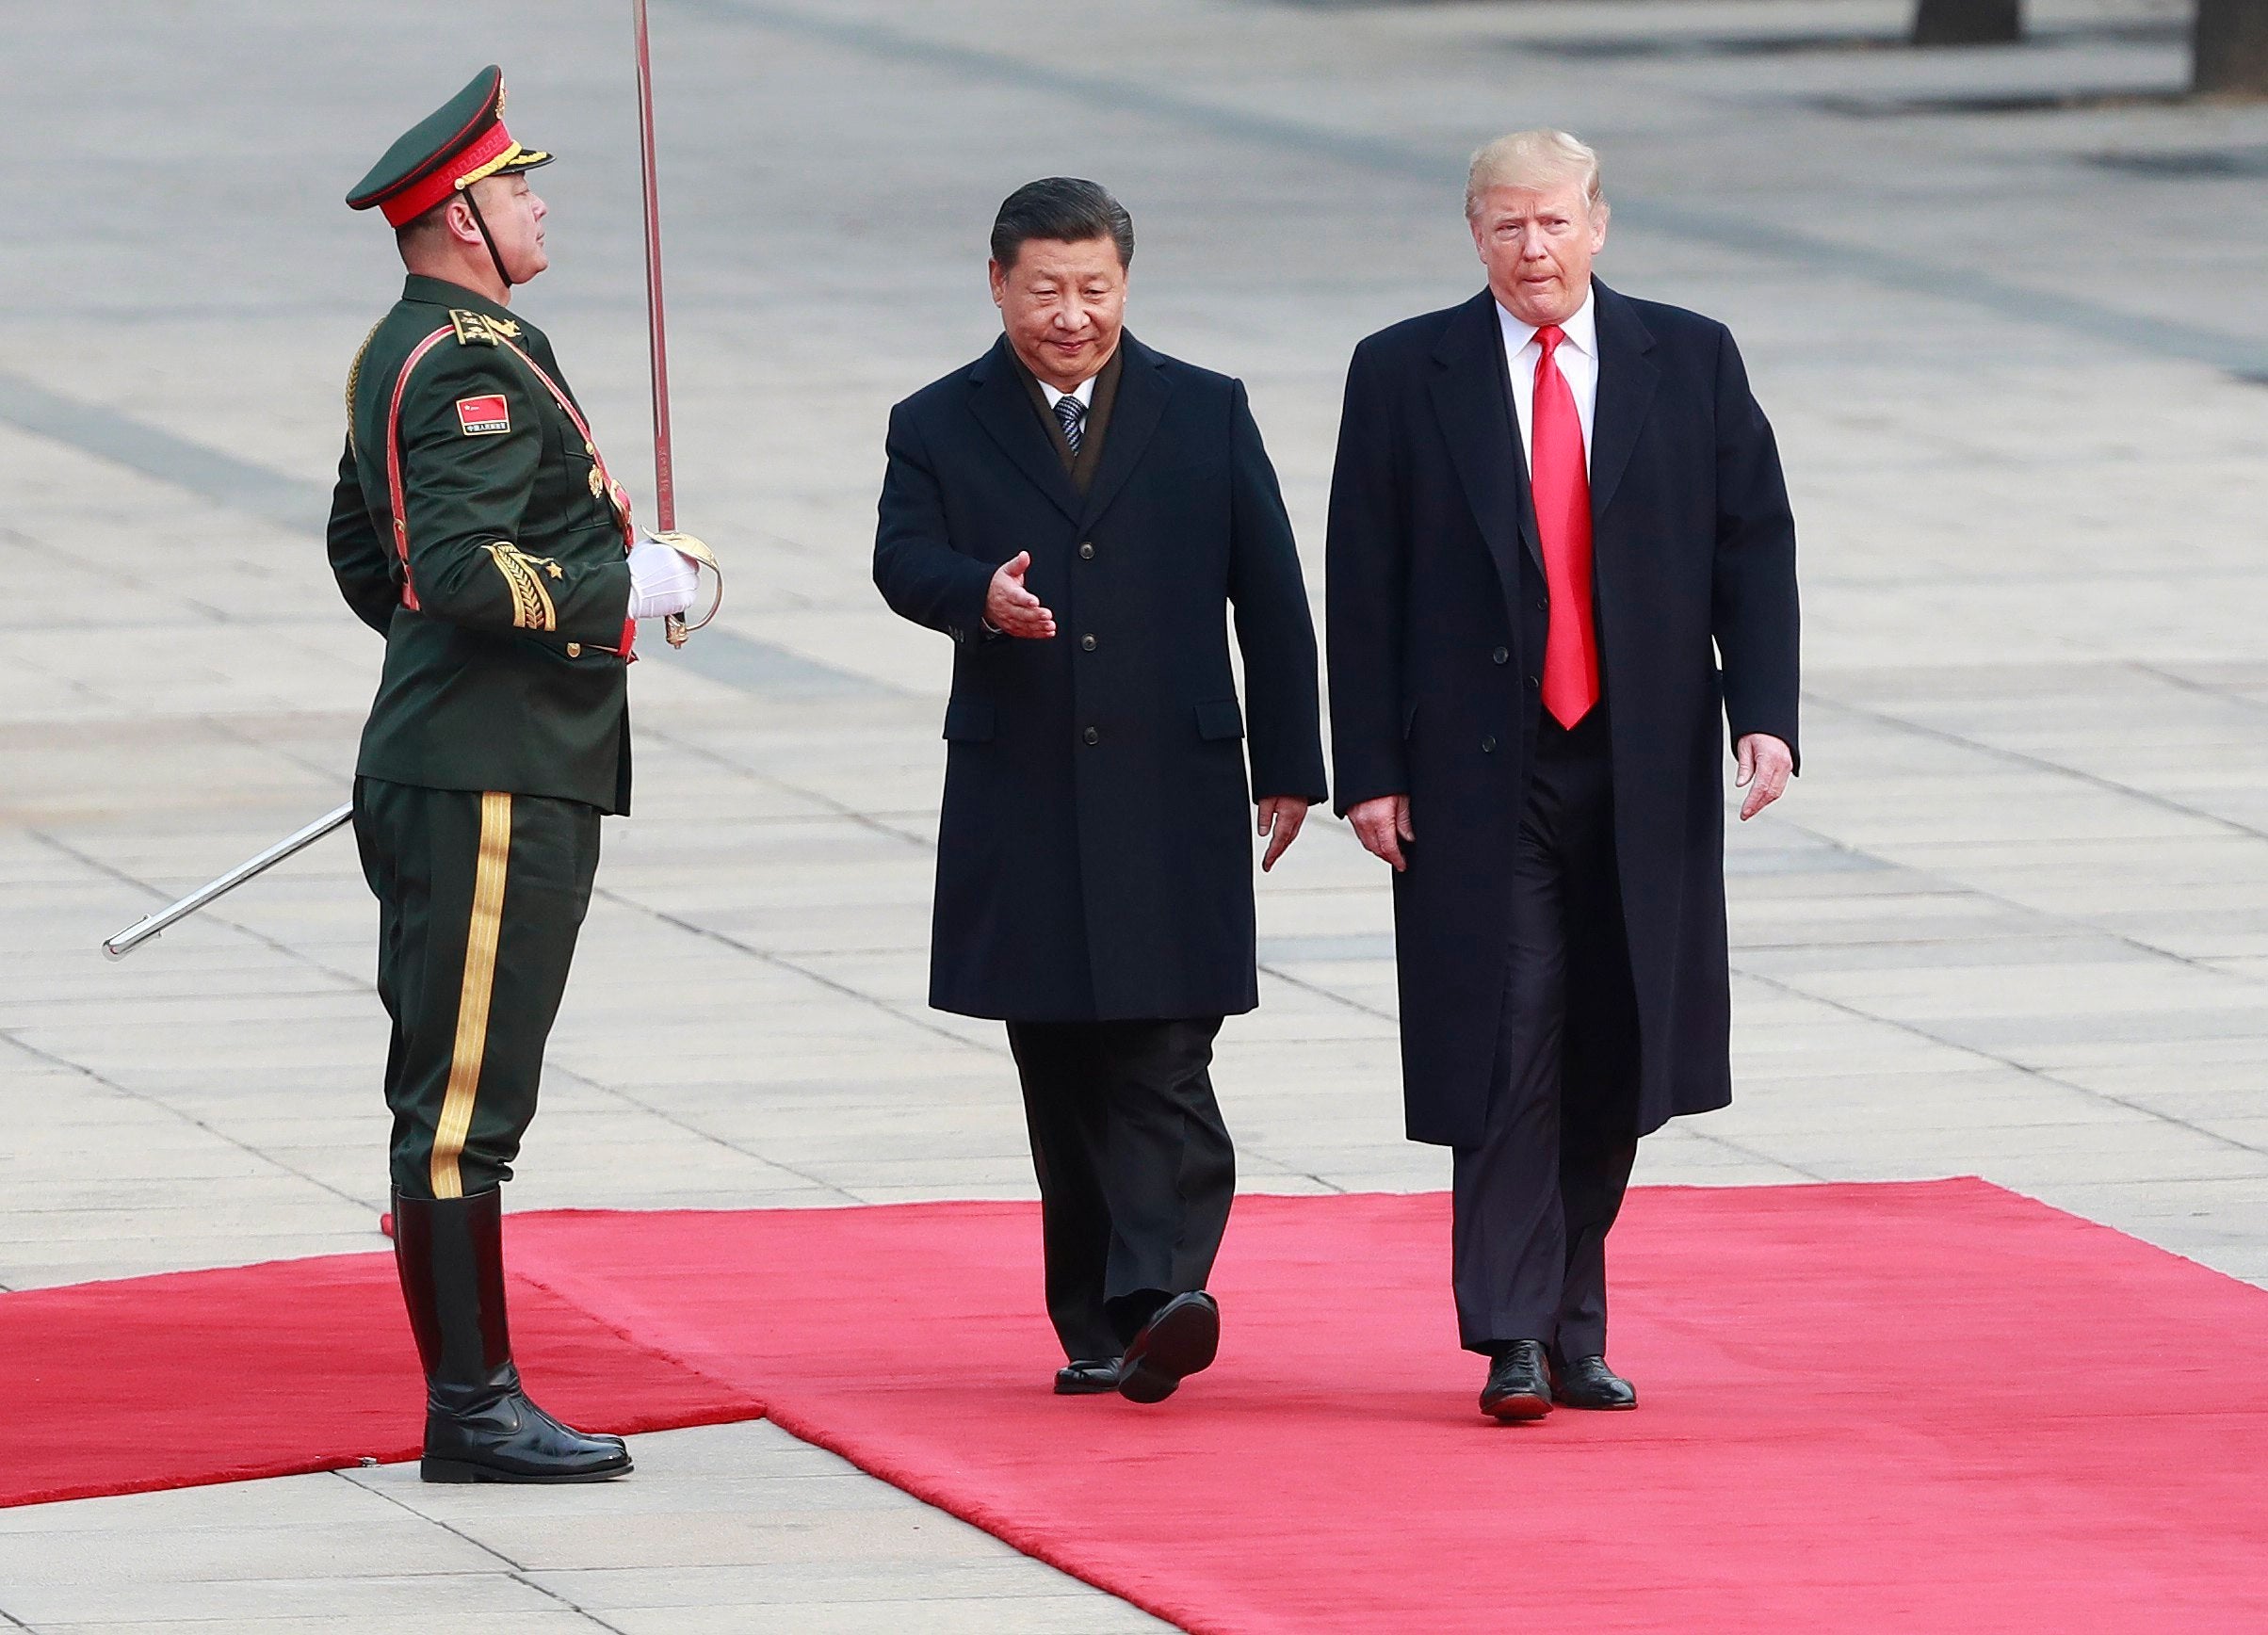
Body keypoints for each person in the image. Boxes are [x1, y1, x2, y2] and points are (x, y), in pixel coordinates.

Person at [1324, 130, 1799, 1421]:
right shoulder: (1403, 371)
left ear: (1601, 224)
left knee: (1616, 1039)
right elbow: (1359, 581)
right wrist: (1364, 765)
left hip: (1639, 761)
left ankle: (1574, 1321)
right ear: (1472, 233)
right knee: (1507, 1032)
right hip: (1478, 771)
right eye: (1506, 226)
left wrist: (1763, 715)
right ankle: (1512, 1339)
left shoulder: (1688, 358)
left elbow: (1753, 546)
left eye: (1554, 222)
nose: (1533, 249)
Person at [873, 178, 1326, 1403]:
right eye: (1046, 291)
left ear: (1126, 282)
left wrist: (1292, 764)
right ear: (998, 284)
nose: (1072, 316)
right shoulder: (938, 421)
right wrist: (981, 594)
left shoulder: (1205, 410)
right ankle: (1096, 1318)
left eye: (1096, 290)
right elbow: (900, 559)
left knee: (1168, 1045)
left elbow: (1272, 597)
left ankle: (1164, 1292)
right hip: (1022, 786)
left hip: (1171, 782)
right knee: (1062, 1057)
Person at [329, 65, 709, 1481]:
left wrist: (449, 677)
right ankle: (471, 1409)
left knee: (466, 1090)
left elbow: (364, 557)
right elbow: (456, 567)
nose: (538, 200)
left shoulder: (414, 347)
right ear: (463, 219)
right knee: (463, 1104)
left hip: (474, 751)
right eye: (518, 185)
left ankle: (476, 1397)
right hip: (491, 776)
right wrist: (624, 587)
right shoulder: (469, 361)